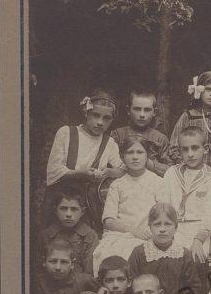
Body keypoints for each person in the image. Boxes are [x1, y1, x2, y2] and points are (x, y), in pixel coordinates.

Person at [44, 89, 124, 227]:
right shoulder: (66, 133)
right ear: (86, 113)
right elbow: (54, 171)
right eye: (96, 115)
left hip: (88, 204)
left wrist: (108, 172)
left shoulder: (109, 143)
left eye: (106, 118)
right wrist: (81, 173)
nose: (100, 122)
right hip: (61, 200)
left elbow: (123, 170)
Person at [91, 135, 163, 273]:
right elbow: (108, 220)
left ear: (147, 156)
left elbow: (163, 214)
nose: (135, 157)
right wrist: (133, 231)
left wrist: (150, 232)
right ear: (122, 157)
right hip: (121, 234)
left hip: (148, 235)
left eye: (140, 152)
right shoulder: (117, 185)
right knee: (111, 256)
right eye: (130, 152)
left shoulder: (158, 183)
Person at [158, 126, 211, 263]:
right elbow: (163, 206)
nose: (190, 154)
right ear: (179, 151)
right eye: (185, 149)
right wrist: (167, 232)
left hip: (198, 231)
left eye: (195, 148)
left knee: (193, 259)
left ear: (205, 149)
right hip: (171, 228)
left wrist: (198, 240)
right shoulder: (171, 173)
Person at [127, 203, 204, 294]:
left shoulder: (184, 254)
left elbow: (195, 287)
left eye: (168, 224)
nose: (162, 229)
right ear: (150, 227)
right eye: (157, 224)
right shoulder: (139, 253)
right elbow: (130, 285)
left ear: (176, 227)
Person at [31, 236, 97, 294]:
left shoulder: (85, 280)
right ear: (44, 261)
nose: (58, 267)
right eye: (53, 261)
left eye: (64, 262)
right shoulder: (39, 285)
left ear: (72, 264)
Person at [39, 190, 99, 275]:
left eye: (74, 209)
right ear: (55, 210)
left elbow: (89, 272)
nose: (68, 214)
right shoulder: (45, 235)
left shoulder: (90, 236)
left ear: (82, 212)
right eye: (63, 208)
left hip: (80, 281)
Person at [112, 89, 171, 176]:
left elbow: (170, 170)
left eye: (147, 110)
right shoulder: (117, 135)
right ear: (128, 110)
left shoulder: (161, 139)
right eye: (137, 109)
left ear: (154, 112)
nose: (142, 115)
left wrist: (149, 163)